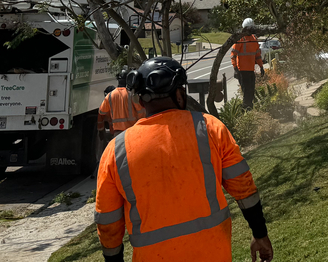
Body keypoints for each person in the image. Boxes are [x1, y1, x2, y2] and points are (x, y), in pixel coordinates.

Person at [95, 56, 274, 262]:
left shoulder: (115, 152)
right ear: (180, 95)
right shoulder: (210, 128)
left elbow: (107, 223)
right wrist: (260, 234)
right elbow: (244, 188)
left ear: (141, 99)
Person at [231, 18, 264, 110]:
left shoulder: (254, 39)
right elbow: (233, 54)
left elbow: (257, 55)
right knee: (246, 92)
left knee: (251, 91)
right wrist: (235, 68)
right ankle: (246, 110)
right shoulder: (241, 39)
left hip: (250, 71)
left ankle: (249, 109)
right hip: (242, 71)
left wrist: (261, 66)